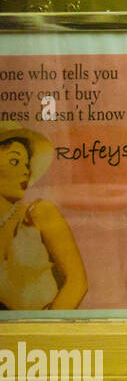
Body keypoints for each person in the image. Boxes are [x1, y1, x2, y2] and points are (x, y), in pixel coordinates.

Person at [0, 123, 87, 311]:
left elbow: (77, 282)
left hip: (48, 333)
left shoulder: (39, 212)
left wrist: (46, 331)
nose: (26, 171)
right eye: (15, 161)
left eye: (26, 164)